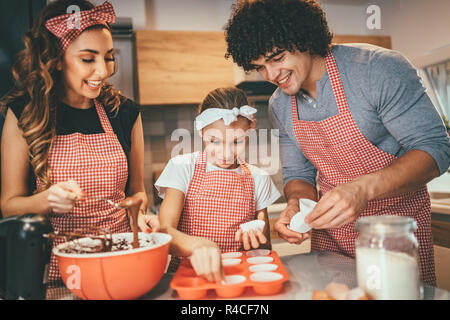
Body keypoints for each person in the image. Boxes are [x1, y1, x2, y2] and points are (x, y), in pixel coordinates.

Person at [224, 0, 450, 285]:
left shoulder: (377, 70)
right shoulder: (279, 106)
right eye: (259, 67)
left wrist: (362, 189)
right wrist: (297, 204)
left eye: (277, 58)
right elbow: (299, 176)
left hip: (391, 234)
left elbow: (436, 148)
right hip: (330, 239)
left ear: (304, 37)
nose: (270, 75)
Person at [0, 0, 159, 281]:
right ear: (56, 59)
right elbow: (9, 205)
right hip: (58, 271)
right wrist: (46, 200)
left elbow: (138, 192)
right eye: (88, 59)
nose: (104, 71)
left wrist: (140, 214)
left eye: (109, 56)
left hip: (121, 261)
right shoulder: (25, 113)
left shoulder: (125, 113)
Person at [156, 87, 280, 282]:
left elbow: (264, 249)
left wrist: (256, 241)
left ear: (249, 131)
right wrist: (200, 246)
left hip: (237, 277)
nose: (226, 154)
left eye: (237, 142)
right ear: (201, 132)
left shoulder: (259, 178)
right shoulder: (182, 167)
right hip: (188, 276)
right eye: (214, 141)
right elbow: (164, 233)